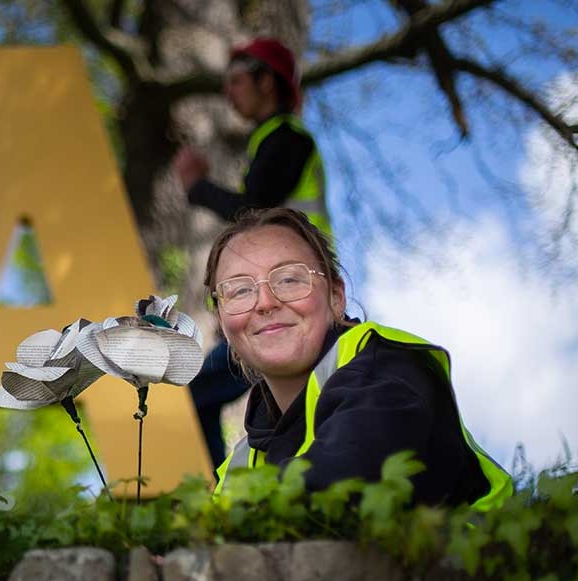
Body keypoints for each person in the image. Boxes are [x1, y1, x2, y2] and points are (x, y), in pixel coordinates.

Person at [205, 208, 511, 510]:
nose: (266, 302)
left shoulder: (387, 371)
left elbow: (340, 485)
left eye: (289, 279)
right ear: (223, 324)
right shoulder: (243, 463)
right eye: (241, 290)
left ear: (336, 297)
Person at [172, 37, 332, 469]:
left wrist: (196, 187)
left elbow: (254, 211)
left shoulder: (286, 138)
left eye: (237, 81)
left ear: (267, 82)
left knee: (198, 392)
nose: (228, 93)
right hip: (286, 297)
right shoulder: (271, 140)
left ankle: (218, 504)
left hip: (293, 301)